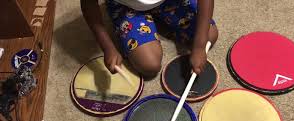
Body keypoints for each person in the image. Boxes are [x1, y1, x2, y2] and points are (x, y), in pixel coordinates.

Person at [80, 0, 218, 78]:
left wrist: (199, 45)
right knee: (149, 64)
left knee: (209, 35)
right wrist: (108, 47)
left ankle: (162, 20)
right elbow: (88, 5)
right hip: (126, 5)